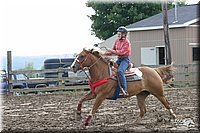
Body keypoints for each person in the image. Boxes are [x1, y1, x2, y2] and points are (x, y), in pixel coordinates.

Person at [104, 26, 131, 95]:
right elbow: (113, 51)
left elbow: (121, 52)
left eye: (119, 34)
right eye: (118, 34)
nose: (118, 35)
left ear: (124, 34)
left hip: (125, 60)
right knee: (110, 70)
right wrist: (103, 53)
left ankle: (124, 89)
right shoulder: (117, 41)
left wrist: (111, 50)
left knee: (120, 71)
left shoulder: (127, 42)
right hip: (119, 59)